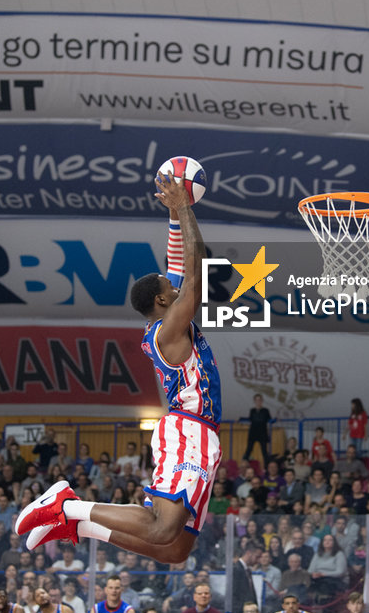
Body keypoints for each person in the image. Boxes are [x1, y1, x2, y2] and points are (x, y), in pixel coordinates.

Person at [16, 172, 222, 564]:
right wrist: (183, 206)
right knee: (162, 527)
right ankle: (67, 504)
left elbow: (179, 262)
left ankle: (78, 525)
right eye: (171, 286)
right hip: (188, 428)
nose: (177, 285)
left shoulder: (166, 318)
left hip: (202, 433)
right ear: (163, 300)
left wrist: (174, 217)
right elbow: (198, 270)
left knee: (176, 548)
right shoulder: (170, 329)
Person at [232, 543, 261, 613]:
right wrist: (244, 612)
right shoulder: (236, 569)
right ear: (248, 553)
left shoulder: (247, 570)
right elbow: (233, 595)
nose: (259, 560)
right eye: (257, 557)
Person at [243, 394, 272, 463]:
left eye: (259, 400)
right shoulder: (252, 410)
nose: (258, 401)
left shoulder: (265, 410)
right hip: (253, 433)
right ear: (254, 401)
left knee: (264, 451)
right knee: (249, 450)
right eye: (256, 400)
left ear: (262, 401)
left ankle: (266, 467)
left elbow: (268, 419)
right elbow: (250, 419)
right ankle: (243, 464)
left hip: (262, 433)